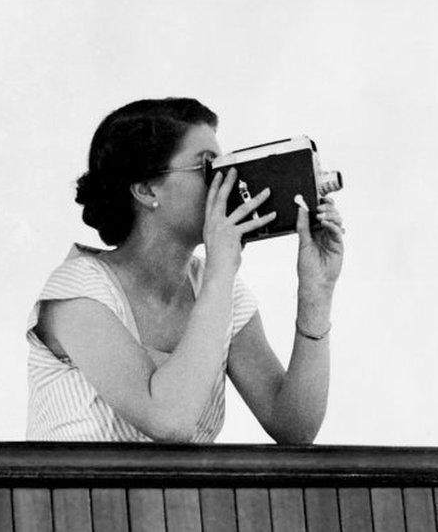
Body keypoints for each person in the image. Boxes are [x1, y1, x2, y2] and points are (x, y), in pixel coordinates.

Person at [25, 98, 344, 442]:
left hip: (179, 497)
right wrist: (221, 272)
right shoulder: (78, 290)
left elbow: (294, 428)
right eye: (207, 166)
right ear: (146, 189)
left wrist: (317, 291)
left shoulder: (222, 291)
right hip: (74, 495)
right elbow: (169, 420)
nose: (226, 180)